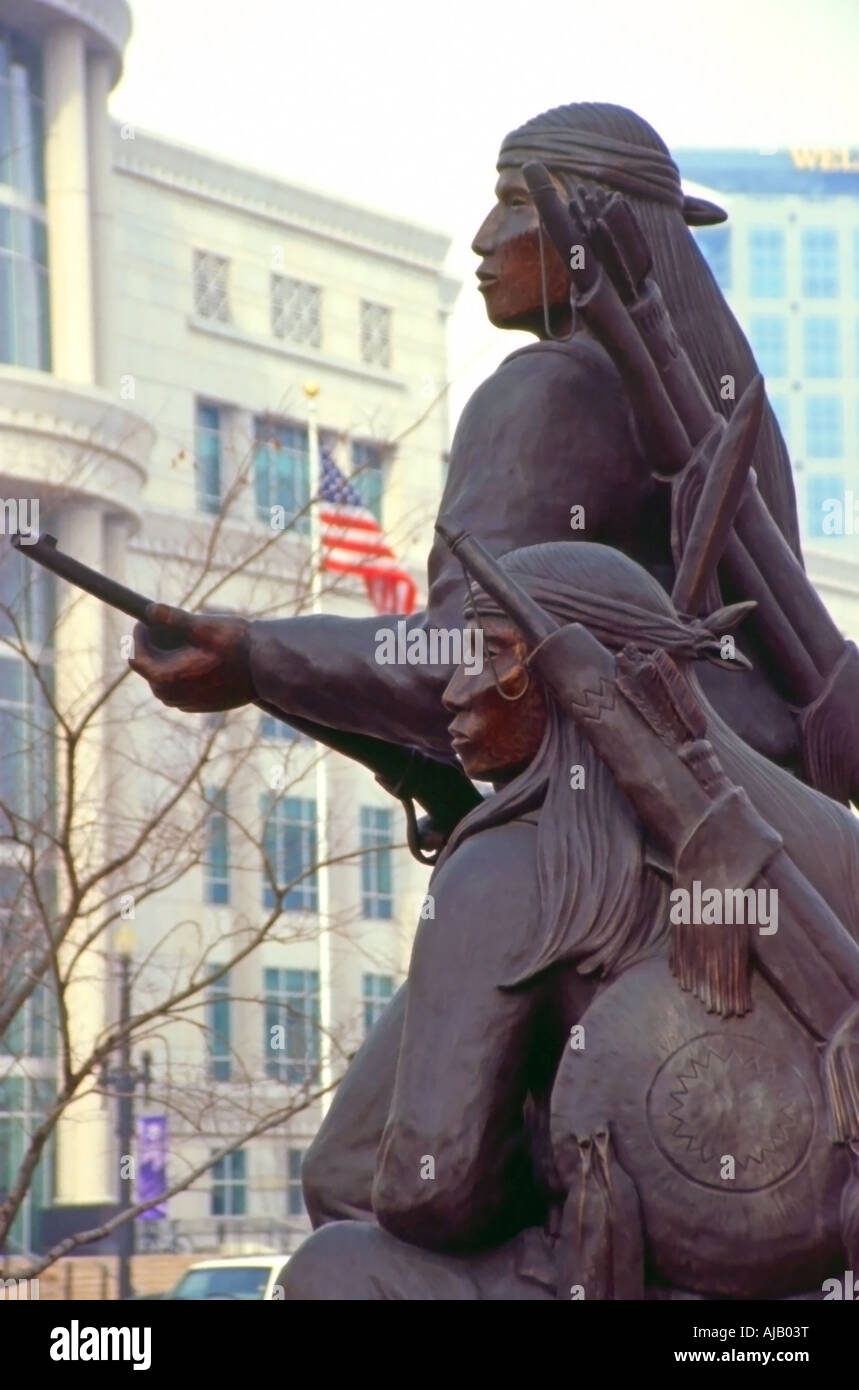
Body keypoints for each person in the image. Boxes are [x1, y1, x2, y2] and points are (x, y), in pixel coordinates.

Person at [129, 102, 804, 774]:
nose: (484, 238)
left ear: (595, 231)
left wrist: (255, 656)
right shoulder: (688, 402)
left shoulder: (551, 387)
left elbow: (465, 658)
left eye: (515, 203)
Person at [280, 541, 859, 1300]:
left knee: (331, 1271)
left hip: (593, 1280)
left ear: (568, 680)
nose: (454, 692)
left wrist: (558, 1151)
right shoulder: (834, 842)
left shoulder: (506, 871)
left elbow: (430, 1190)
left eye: (489, 656)